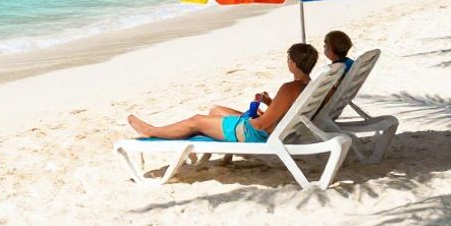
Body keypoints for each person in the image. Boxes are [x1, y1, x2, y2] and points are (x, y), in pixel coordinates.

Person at [126, 44, 320, 143]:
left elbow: (261, 124)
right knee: (216, 110)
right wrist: (269, 102)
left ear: (293, 63)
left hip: (255, 132)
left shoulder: (289, 88)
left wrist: (249, 119)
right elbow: (287, 111)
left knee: (196, 121)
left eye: (288, 59)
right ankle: (184, 137)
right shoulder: (306, 86)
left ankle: (152, 131)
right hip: (277, 128)